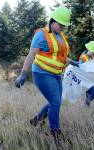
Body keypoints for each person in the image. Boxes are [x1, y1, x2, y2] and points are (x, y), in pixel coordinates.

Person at [15, 6, 79, 145]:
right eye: (61, 24)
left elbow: (60, 56)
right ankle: (55, 133)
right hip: (42, 74)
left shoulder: (59, 35)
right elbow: (31, 55)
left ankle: (36, 120)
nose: (63, 28)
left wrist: (73, 62)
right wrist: (23, 75)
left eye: (64, 25)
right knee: (55, 102)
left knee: (55, 101)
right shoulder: (41, 35)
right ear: (53, 21)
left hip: (56, 74)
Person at [79, 41, 94, 106]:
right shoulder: (83, 57)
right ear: (89, 50)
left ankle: (86, 107)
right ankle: (88, 101)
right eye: (93, 52)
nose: (93, 53)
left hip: (88, 79)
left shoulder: (90, 57)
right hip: (84, 79)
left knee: (88, 94)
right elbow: (80, 67)